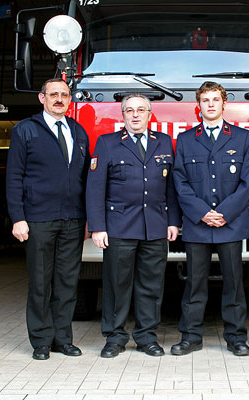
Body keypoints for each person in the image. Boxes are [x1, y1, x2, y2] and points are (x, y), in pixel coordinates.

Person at [86, 93, 181, 358]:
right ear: (123, 115)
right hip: (119, 227)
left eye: (141, 110)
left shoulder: (163, 142)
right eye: (129, 110)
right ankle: (115, 338)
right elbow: (95, 188)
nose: (135, 115)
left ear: (150, 114)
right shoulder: (107, 143)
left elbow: (171, 187)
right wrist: (97, 227)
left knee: (151, 286)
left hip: (155, 226)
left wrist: (173, 221)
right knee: (117, 285)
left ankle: (147, 337)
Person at [6, 78, 90, 360]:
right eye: (53, 94)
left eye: (64, 95)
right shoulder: (25, 130)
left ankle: (63, 339)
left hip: (73, 220)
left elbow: (85, 179)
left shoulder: (78, 131)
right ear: (42, 98)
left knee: (67, 282)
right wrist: (18, 217)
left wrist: (88, 219)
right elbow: (14, 177)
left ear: (70, 100)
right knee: (41, 283)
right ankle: (41, 341)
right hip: (38, 219)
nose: (59, 99)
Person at [171, 81, 249, 356]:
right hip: (198, 224)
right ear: (198, 105)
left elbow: (247, 182)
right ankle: (191, 336)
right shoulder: (186, 139)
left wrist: (224, 214)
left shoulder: (242, 138)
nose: (210, 104)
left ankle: (236, 337)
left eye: (215, 99)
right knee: (194, 284)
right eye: (205, 100)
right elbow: (180, 181)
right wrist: (202, 213)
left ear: (224, 103)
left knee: (234, 283)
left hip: (230, 224)